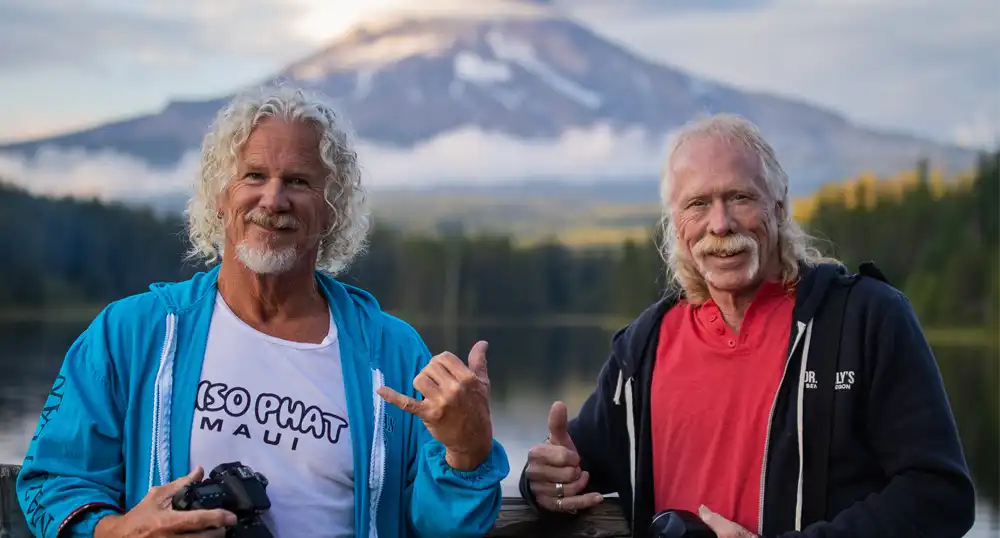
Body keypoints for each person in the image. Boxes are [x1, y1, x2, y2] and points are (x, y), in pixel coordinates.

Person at [16, 85, 509, 538]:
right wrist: (120, 532)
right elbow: (49, 483)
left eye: (297, 181)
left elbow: (441, 529)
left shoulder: (393, 353)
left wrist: (466, 450)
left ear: (332, 210)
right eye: (254, 175)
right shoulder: (133, 334)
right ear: (220, 198)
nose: (273, 200)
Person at [519, 113, 976, 537]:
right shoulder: (644, 347)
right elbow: (574, 465)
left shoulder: (865, 319)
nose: (720, 224)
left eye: (739, 197)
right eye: (698, 204)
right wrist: (542, 479)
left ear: (778, 207)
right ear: (676, 224)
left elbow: (939, 495)